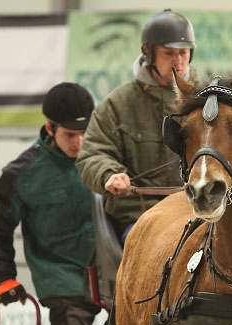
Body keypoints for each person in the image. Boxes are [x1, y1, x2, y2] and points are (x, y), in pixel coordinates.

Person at [0, 82, 102, 325]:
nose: (79, 143)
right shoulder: (21, 175)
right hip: (63, 283)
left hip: (112, 274)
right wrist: (3, 279)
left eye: (84, 133)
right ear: (50, 129)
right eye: (70, 135)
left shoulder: (107, 159)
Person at [76, 9, 196, 242]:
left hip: (196, 212)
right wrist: (109, 175)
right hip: (140, 218)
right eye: (169, 53)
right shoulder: (117, 104)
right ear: (147, 52)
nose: (178, 61)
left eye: (184, 52)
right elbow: (92, 154)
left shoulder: (203, 101)